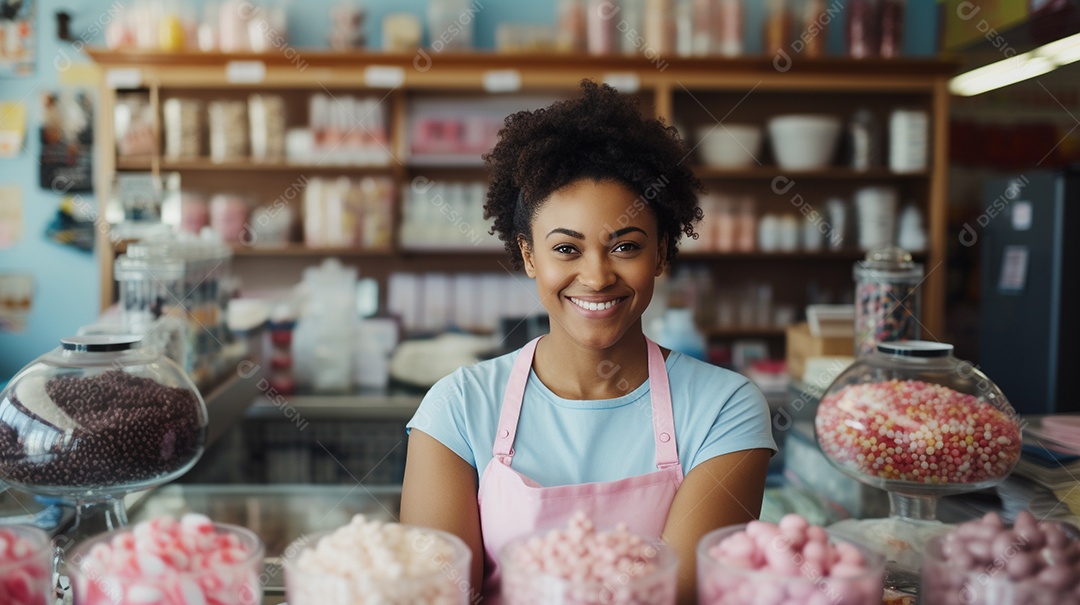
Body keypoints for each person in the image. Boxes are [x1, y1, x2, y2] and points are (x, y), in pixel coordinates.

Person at [401, 80, 776, 604]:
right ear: (530, 256)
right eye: (566, 249)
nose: (597, 277)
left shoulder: (725, 410)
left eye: (625, 246)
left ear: (663, 254)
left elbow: (679, 595)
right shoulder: (457, 407)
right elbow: (434, 595)